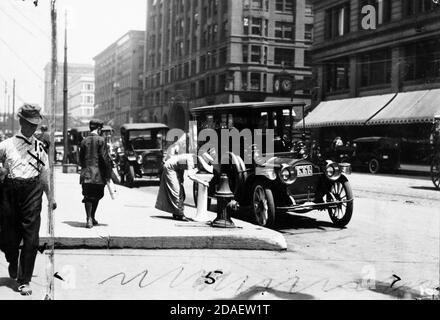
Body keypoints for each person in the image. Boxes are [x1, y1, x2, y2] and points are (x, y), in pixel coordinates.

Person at [0, 104, 57, 296]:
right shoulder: (5, 145)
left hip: (32, 192)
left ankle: (24, 280)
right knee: (8, 236)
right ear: (21, 122)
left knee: (31, 238)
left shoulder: (40, 147)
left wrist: (50, 198)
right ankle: (11, 258)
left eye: (35, 125)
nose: (33, 128)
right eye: (30, 124)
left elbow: (44, 174)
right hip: (9, 192)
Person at [155, 149, 215, 221]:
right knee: (176, 191)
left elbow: (182, 166)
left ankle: (176, 212)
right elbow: (191, 176)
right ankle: (180, 214)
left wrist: (181, 179)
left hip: (177, 168)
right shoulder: (191, 160)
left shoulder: (195, 160)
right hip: (170, 167)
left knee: (181, 193)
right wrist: (203, 182)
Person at [79, 119, 112, 229]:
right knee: (97, 195)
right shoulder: (101, 140)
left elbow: (80, 159)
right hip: (98, 175)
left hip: (86, 174)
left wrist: (85, 168)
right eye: (101, 129)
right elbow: (104, 158)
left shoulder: (84, 141)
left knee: (87, 195)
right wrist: (108, 172)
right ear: (98, 128)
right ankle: (92, 217)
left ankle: (89, 218)